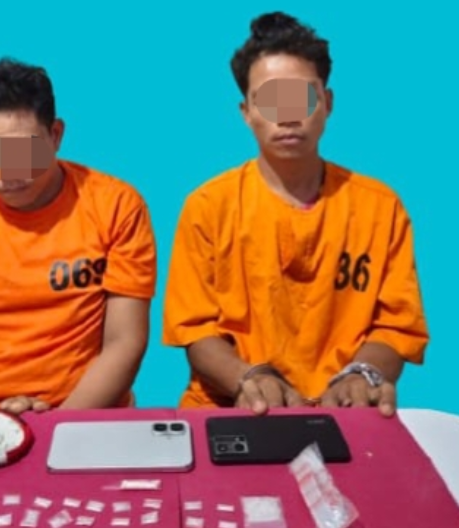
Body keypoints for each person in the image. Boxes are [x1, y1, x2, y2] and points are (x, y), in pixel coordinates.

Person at [162, 12, 429, 417]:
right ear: (246, 112)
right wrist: (248, 378)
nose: (287, 116)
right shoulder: (208, 206)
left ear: (328, 103)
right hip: (231, 408)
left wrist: (361, 374)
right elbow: (195, 332)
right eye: (270, 101)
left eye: (301, 98)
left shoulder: (380, 207)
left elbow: (397, 326)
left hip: (346, 410)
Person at [0, 58, 157, 417]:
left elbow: (125, 340)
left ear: (55, 135)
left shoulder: (116, 205)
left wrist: (59, 423)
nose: (8, 173)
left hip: (84, 412)